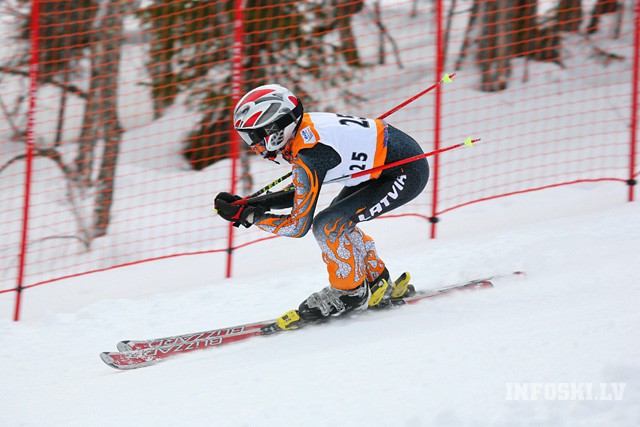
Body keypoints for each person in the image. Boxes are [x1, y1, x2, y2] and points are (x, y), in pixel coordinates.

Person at [214, 84, 429, 330]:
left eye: (254, 136)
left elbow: (297, 226)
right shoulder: (302, 131)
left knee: (327, 225)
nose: (253, 146)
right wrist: (250, 205)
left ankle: (349, 293)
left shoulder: (310, 153)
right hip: (382, 168)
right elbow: (301, 191)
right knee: (337, 218)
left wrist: (251, 216)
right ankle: (375, 278)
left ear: (275, 129)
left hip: (405, 172)